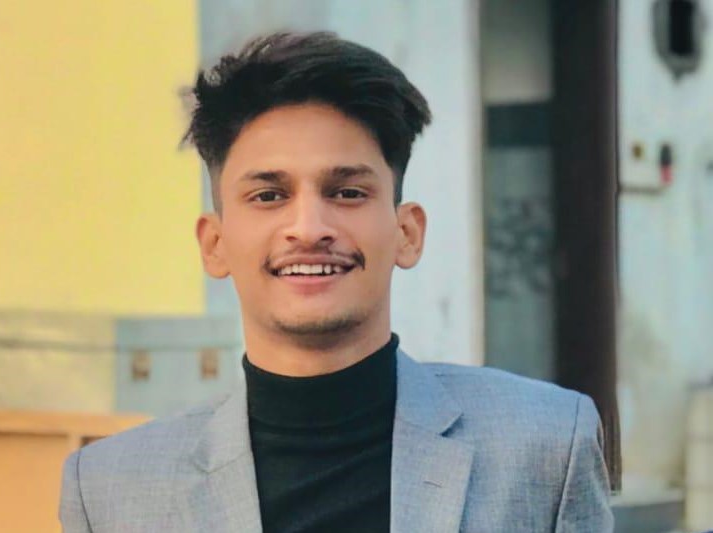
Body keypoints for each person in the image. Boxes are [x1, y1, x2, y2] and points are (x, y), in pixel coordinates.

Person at [59, 31, 613, 532]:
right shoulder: (110, 490)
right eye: (268, 195)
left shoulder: (544, 445)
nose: (308, 228)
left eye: (347, 192)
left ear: (407, 233)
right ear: (215, 244)